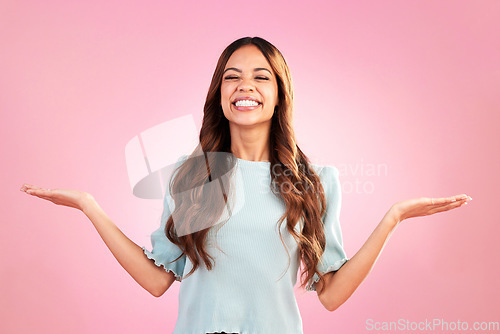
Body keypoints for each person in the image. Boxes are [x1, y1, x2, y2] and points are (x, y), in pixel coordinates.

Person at [20, 36, 471, 334]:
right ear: (220, 93)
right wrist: (89, 206)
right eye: (231, 76)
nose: (245, 86)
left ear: (278, 95)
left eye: (261, 77)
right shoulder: (191, 176)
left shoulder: (315, 183)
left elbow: (331, 294)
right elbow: (159, 280)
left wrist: (392, 219)